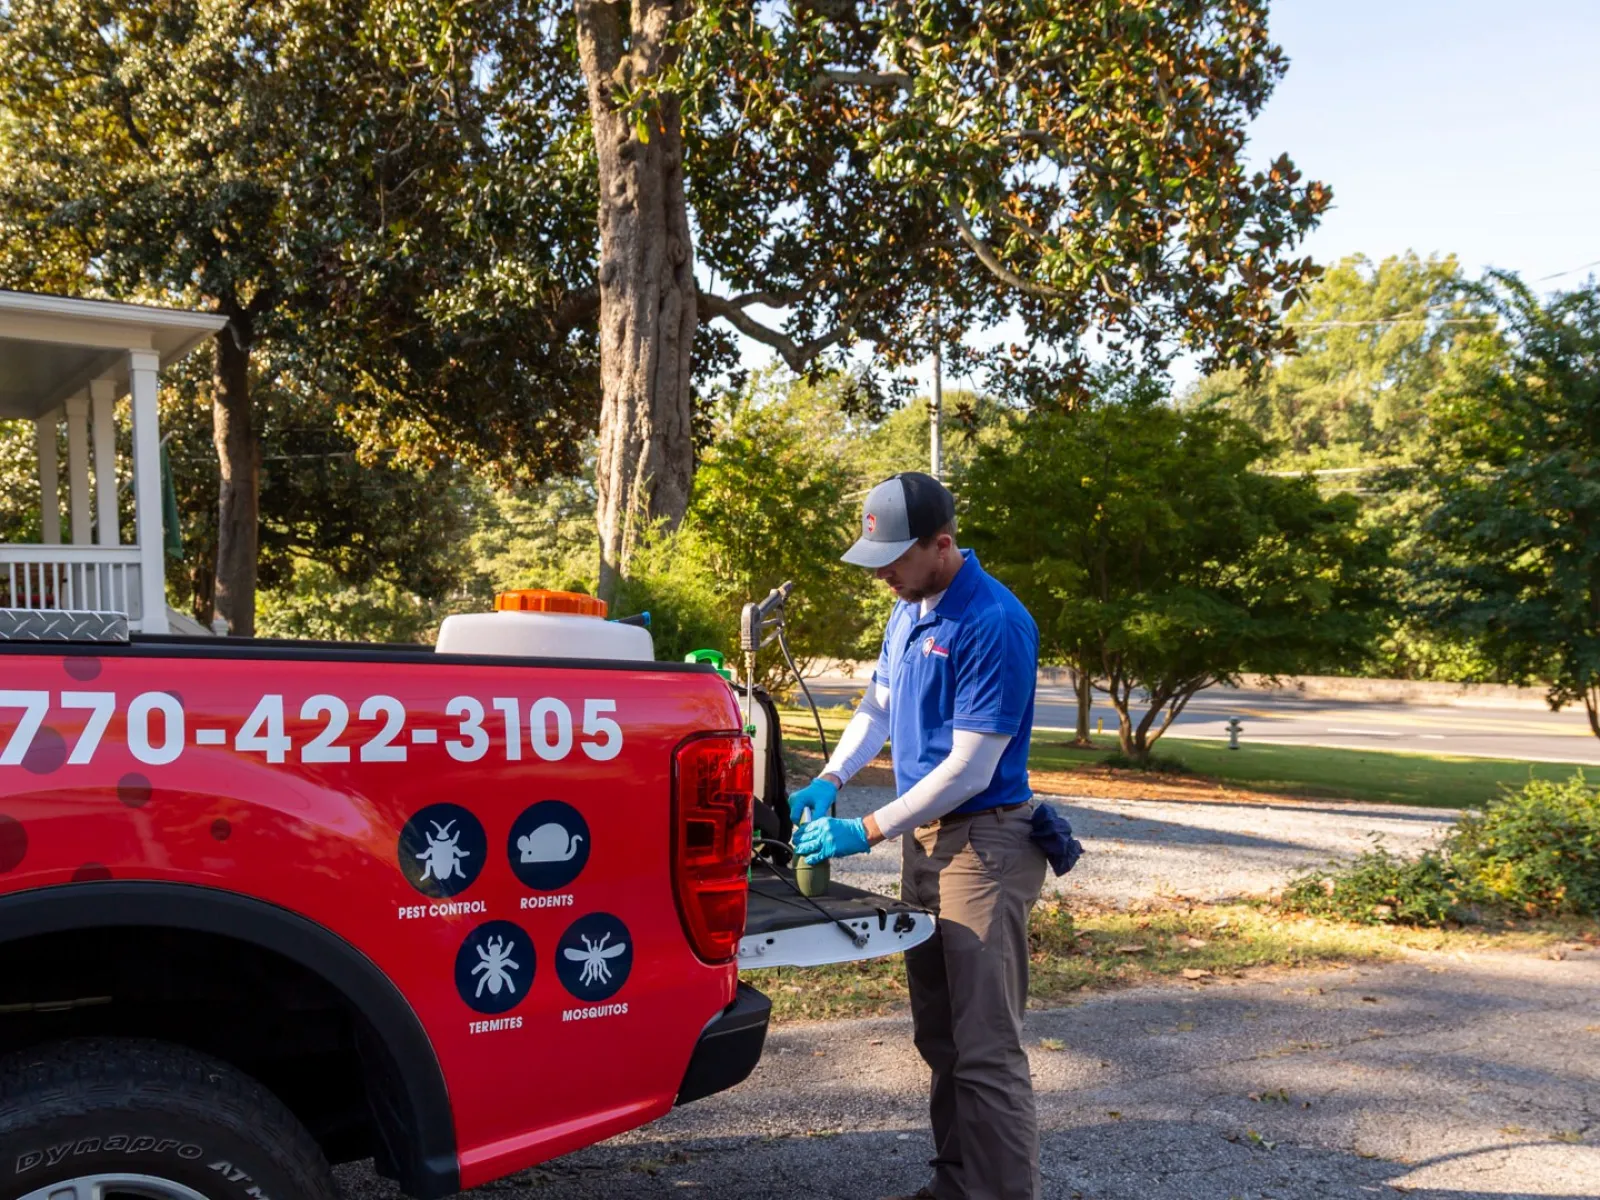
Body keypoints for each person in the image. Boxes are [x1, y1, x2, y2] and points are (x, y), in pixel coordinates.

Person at [791, 471, 1048, 1200]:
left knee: (986, 1048)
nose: (884, 577)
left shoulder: (991, 622)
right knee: (939, 1036)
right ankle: (955, 1185)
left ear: (943, 544)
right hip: (926, 840)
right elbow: (876, 708)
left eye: (895, 561)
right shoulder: (910, 608)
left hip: (986, 844)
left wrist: (863, 830)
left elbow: (970, 767)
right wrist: (832, 779)